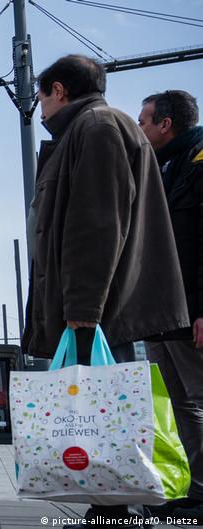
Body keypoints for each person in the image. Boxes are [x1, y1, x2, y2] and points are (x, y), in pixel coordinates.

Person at [21, 55, 190, 529]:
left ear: (58, 90)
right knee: (102, 409)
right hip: (98, 303)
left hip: (98, 306)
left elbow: (98, 223)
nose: (40, 108)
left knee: (105, 406)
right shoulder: (95, 128)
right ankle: (110, 505)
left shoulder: (97, 128)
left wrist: (83, 307)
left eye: (41, 97)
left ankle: (120, 507)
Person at [138, 89, 203, 522]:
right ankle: (194, 492)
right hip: (161, 312)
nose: (139, 128)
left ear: (166, 124)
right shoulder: (160, 168)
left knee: (198, 398)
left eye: (144, 121)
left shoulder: (197, 163)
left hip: (190, 311)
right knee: (178, 403)